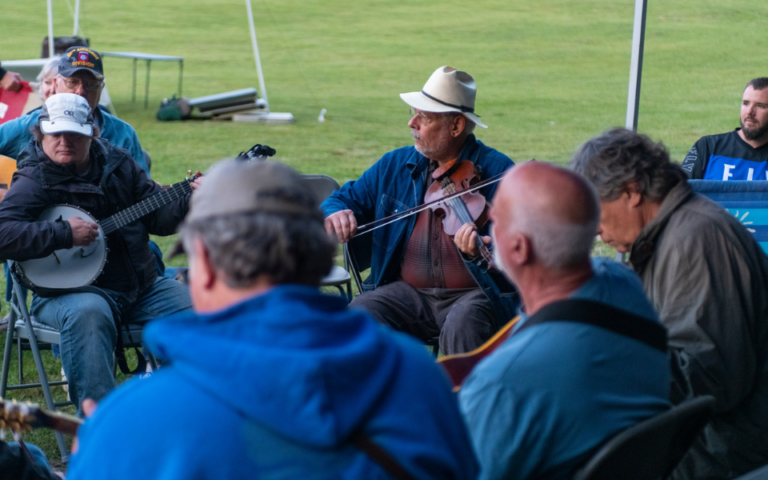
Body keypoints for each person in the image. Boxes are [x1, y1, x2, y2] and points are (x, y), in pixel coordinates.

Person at [66, 160, 478, 480]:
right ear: (318, 261)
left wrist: (97, 456)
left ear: (204, 265)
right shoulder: (419, 379)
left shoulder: (131, 420)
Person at [571, 127, 768, 480]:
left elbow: (712, 378)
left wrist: (605, 364)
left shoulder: (696, 239)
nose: (595, 228)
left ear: (631, 192)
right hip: (698, 442)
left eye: (597, 209)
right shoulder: (667, 235)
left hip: (721, 452)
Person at [458, 161, 670, 480]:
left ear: (518, 247)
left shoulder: (501, 385)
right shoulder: (624, 284)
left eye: (496, 218)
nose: (488, 222)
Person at [0, 93, 196, 416]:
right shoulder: (34, 178)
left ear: (91, 132)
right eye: (55, 134)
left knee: (204, 311)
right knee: (89, 313)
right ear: (42, 133)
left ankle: (181, 417)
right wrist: (63, 234)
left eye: (74, 134)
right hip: (68, 294)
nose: (64, 142)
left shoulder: (119, 164)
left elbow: (157, 217)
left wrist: (190, 200)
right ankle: (101, 433)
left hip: (140, 286)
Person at [322, 65, 517, 355]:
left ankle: (460, 399)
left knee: (466, 322)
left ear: (456, 126)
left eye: (424, 117)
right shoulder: (395, 165)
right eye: (413, 113)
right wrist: (335, 212)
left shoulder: (499, 173)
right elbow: (341, 198)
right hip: (409, 295)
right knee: (360, 314)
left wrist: (481, 254)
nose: (412, 123)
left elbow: (524, 250)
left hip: (474, 295)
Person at [0, 47, 149, 175]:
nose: (80, 91)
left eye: (91, 84)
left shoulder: (124, 133)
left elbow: (142, 191)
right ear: (56, 85)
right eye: (72, 82)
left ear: (101, 89)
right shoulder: (27, 125)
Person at [682, 77, 768, 180]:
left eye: (760, 106)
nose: (749, 112)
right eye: (746, 103)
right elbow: (679, 192)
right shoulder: (708, 147)